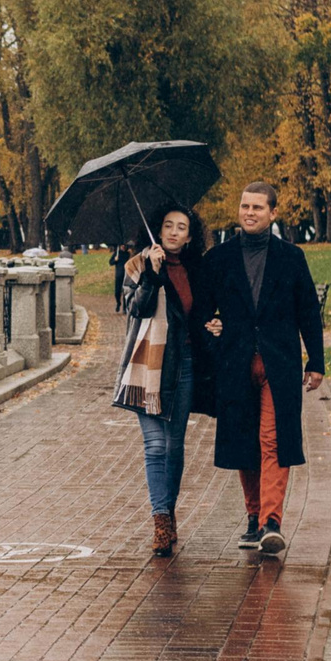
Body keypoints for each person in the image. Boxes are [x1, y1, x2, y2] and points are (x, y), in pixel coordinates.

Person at [198, 181, 327, 557]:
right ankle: (253, 519)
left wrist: (315, 362)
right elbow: (201, 312)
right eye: (244, 206)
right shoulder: (218, 259)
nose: (249, 213)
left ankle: (273, 522)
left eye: (257, 207)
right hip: (236, 363)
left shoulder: (291, 257)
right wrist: (213, 332)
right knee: (244, 442)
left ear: (273, 213)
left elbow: (308, 312)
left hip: (279, 364)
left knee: (272, 440)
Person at [113, 205, 210, 558]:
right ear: (157, 229)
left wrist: (211, 324)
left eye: (181, 227)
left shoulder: (194, 268)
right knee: (155, 445)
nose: (173, 232)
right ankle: (160, 521)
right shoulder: (137, 265)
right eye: (167, 225)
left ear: (189, 235)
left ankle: (168, 510)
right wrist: (152, 275)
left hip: (183, 363)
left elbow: (199, 313)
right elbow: (135, 309)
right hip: (147, 363)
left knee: (175, 445)